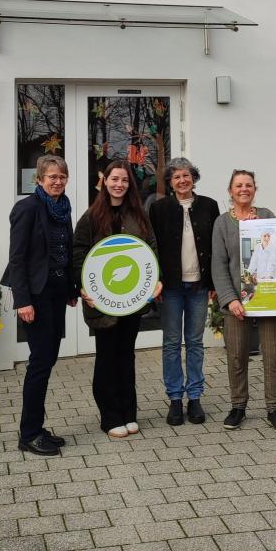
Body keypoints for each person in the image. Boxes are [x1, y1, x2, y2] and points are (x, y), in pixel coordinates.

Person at [73, 158, 162, 439]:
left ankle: (128, 412)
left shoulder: (139, 215)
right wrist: (83, 286)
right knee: (107, 358)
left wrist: (155, 280)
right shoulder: (90, 217)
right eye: (114, 179)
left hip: (131, 302)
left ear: (129, 184)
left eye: (124, 180)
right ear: (105, 182)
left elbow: (151, 249)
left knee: (126, 356)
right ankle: (109, 416)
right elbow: (79, 254)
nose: (119, 185)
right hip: (102, 304)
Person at [3, 154, 78, 456]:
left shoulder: (63, 208)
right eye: (52, 177)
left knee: (47, 361)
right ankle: (29, 433)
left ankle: (36, 427)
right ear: (39, 179)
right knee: (39, 364)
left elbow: (66, 251)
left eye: (62, 177)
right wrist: (22, 301)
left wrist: (72, 288)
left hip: (57, 295)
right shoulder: (27, 208)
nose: (57, 182)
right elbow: (17, 258)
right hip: (35, 297)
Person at [211, 170, 276, 433]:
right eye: (238, 185)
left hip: (267, 299)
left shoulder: (267, 216)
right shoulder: (222, 223)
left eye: (248, 185)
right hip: (237, 302)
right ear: (230, 191)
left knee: (273, 354)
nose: (243, 189)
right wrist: (230, 299)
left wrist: (261, 230)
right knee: (236, 355)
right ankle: (238, 406)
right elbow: (219, 265)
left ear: (255, 188)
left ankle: (274, 408)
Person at [148, 157, 219, 426]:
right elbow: (152, 247)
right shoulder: (159, 208)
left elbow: (215, 247)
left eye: (186, 175)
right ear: (170, 182)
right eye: (176, 177)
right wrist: (156, 281)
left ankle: (196, 397)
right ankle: (175, 399)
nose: (182, 181)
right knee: (171, 343)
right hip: (172, 288)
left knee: (195, 342)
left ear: (194, 178)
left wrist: (213, 283)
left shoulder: (209, 206)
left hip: (199, 286)